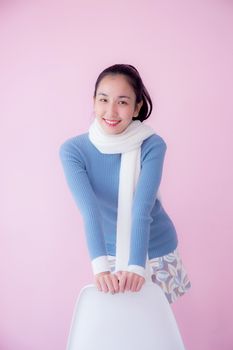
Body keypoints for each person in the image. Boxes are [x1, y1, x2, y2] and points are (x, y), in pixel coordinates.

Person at [59, 63, 191, 304]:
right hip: (107, 252)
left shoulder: (152, 144)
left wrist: (136, 267)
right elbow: (90, 212)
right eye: (103, 99)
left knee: (154, 325)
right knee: (114, 329)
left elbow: (142, 208)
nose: (111, 111)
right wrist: (100, 267)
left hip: (156, 249)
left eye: (122, 101)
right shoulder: (73, 151)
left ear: (136, 106)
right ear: (93, 101)